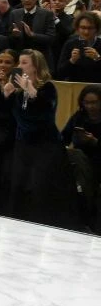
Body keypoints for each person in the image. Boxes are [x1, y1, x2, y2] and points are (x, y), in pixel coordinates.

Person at [5, 50, 78, 229]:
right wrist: (7, 96)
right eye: (19, 63)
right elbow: (14, 117)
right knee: (19, 185)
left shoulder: (47, 88)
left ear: (36, 66)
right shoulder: (18, 91)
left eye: (24, 63)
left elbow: (44, 113)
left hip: (46, 145)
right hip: (23, 145)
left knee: (40, 187)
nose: (19, 67)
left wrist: (30, 90)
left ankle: (43, 225)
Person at [61, 85, 101, 231]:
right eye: (87, 103)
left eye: (94, 102)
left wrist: (95, 141)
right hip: (80, 163)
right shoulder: (79, 117)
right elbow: (63, 137)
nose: (90, 106)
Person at [56, 12, 101, 83]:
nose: (86, 32)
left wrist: (98, 58)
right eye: (83, 28)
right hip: (74, 87)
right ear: (77, 28)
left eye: (90, 28)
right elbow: (60, 73)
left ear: (96, 29)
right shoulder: (70, 44)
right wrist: (72, 61)